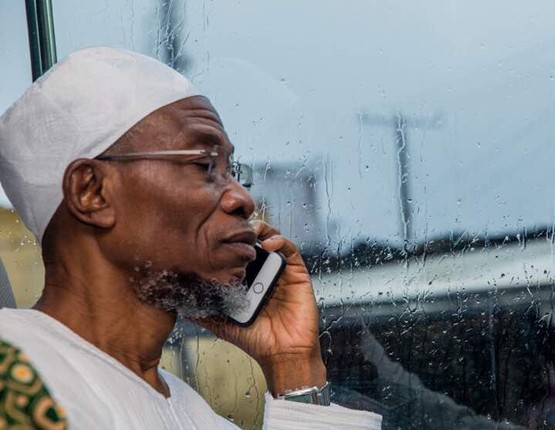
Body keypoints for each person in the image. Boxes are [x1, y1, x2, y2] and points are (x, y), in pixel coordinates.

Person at [0, 46, 382, 429]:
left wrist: (293, 366)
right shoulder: (15, 375)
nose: (243, 199)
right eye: (204, 165)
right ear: (92, 192)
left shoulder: (196, 415)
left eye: (233, 172)